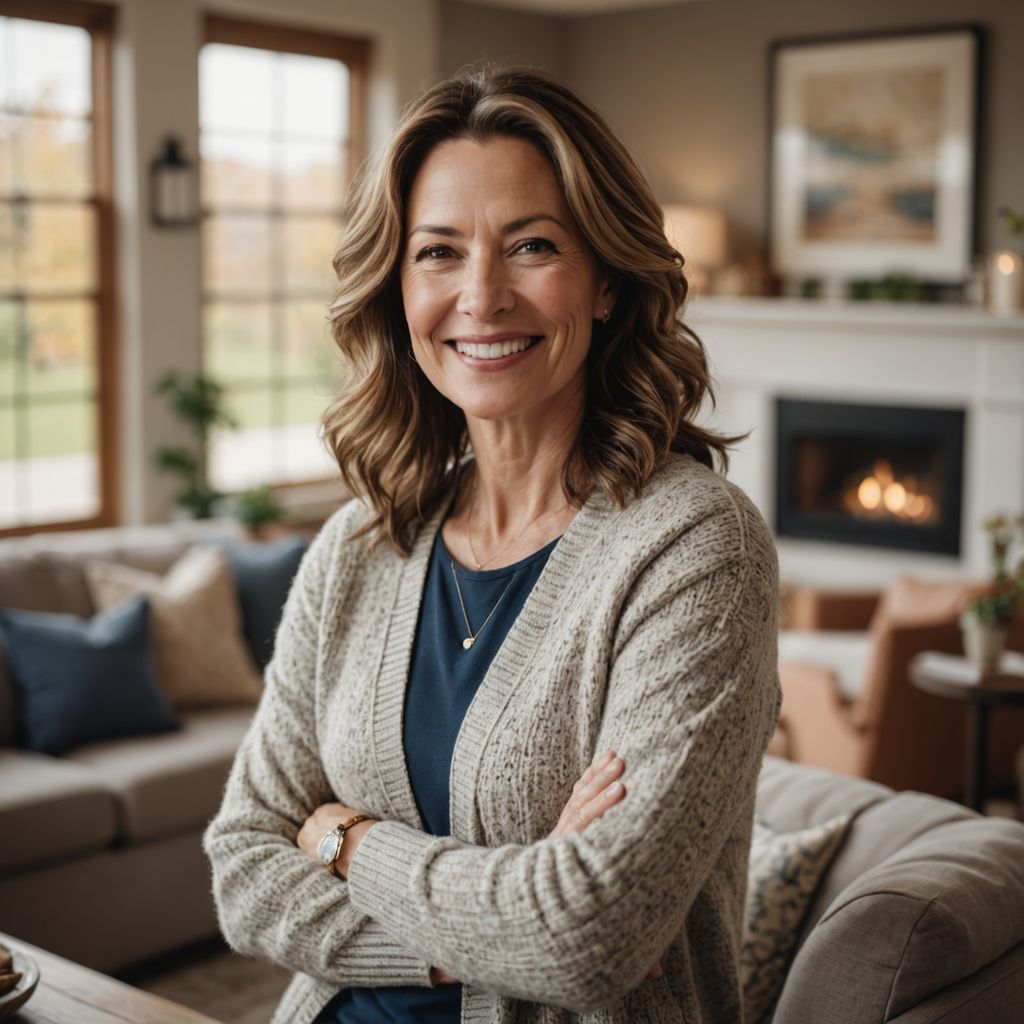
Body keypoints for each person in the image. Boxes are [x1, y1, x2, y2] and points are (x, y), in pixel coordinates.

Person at [204, 65, 780, 1024]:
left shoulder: (695, 552)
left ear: (603, 283)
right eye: (438, 252)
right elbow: (242, 872)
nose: (481, 295)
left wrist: (344, 839)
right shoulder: (360, 543)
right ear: (398, 288)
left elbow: (590, 937)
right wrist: (495, 928)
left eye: (533, 246)